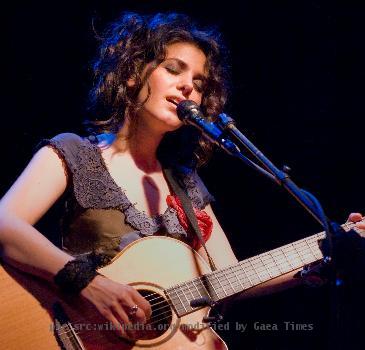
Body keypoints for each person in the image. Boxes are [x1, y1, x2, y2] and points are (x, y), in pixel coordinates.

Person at [0, 11, 364, 345]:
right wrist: (91, 284)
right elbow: (4, 223)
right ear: (132, 73)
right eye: (174, 69)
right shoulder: (75, 153)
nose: (189, 86)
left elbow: (228, 276)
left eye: (200, 82)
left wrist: (319, 255)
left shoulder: (186, 184)